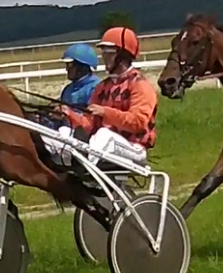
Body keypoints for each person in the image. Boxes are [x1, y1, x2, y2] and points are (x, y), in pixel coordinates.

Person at [56, 26, 158, 167]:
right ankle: (64, 166)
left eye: (109, 52)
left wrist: (105, 112)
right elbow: (89, 125)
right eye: (103, 52)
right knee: (64, 132)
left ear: (123, 55)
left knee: (104, 134)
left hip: (134, 147)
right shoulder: (102, 87)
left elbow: (138, 123)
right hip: (103, 145)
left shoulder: (140, 85)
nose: (104, 57)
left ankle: (83, 166)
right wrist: (68, 114)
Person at [59, 43, 101, 109]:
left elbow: (91, 114)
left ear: (83, 67)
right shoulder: (67, 90)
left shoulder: (96, 88)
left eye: (70, 65)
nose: (66, 69)